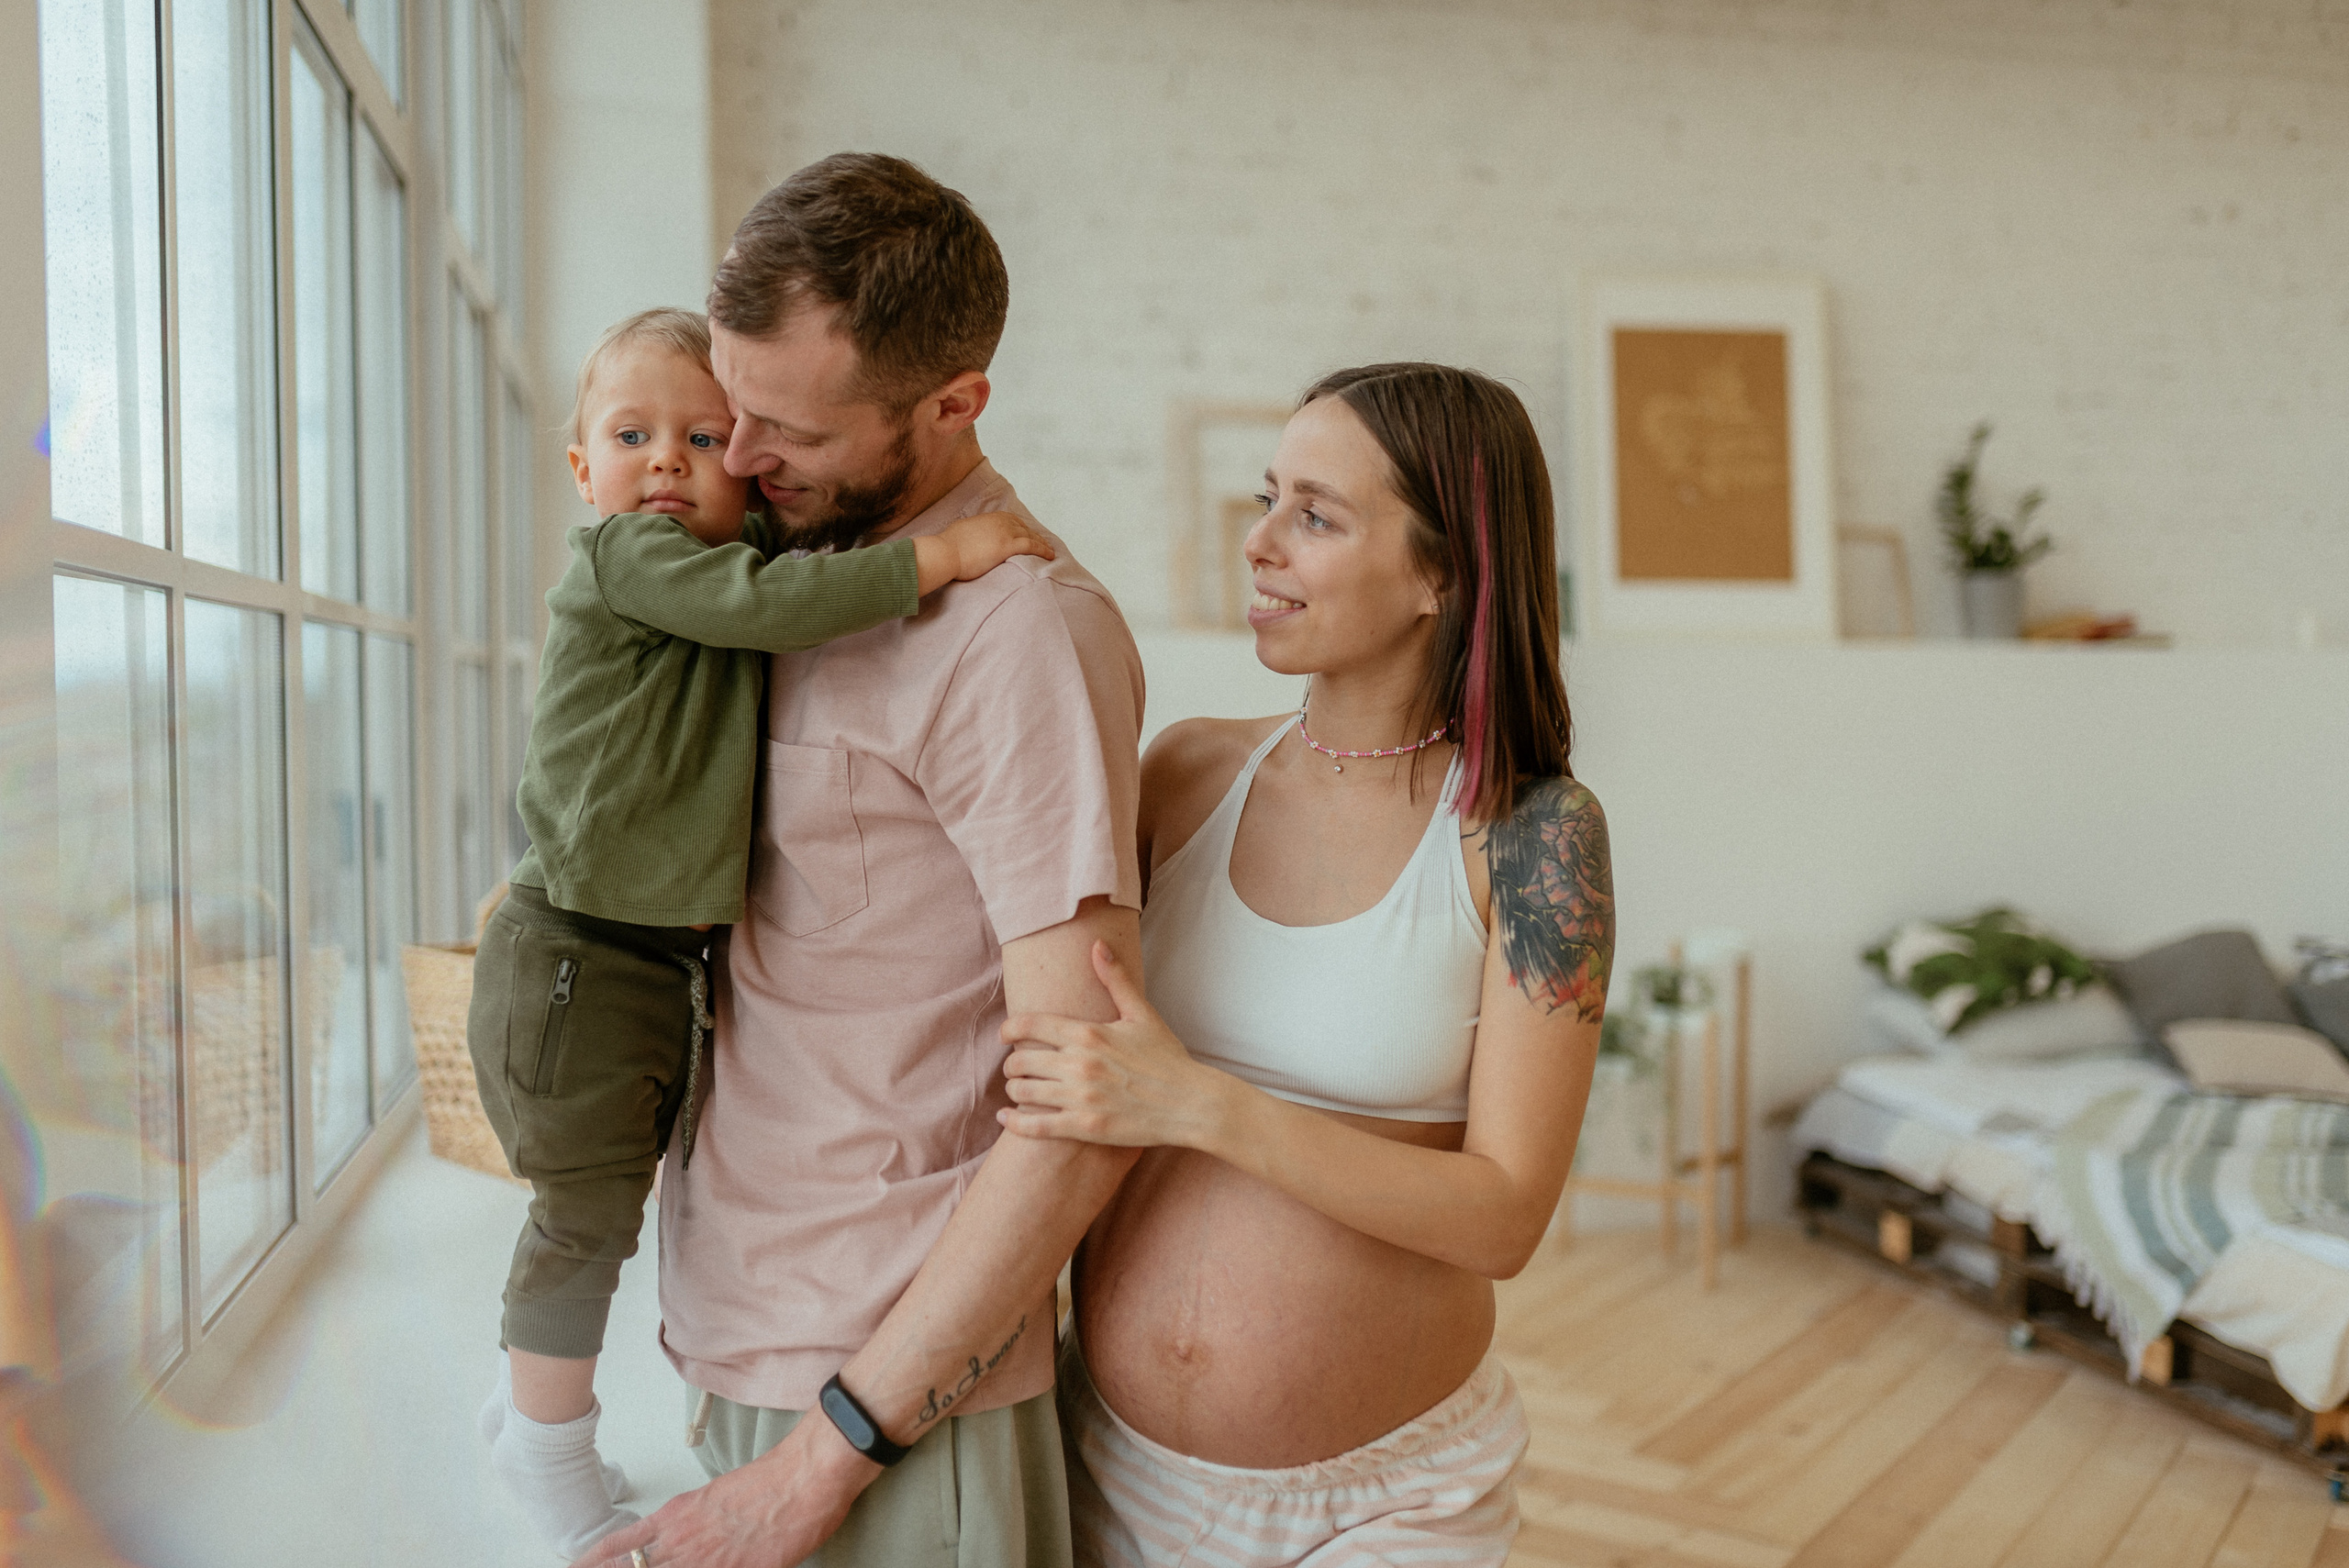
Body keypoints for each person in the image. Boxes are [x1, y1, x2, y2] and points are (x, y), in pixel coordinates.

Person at [577, 154, 1147, 1568]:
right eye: (729, 409)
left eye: (788, 430)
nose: (740, 459)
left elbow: (1086, 1098)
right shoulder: (780, 571)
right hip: (746, 1345)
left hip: (885, 1409)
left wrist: (825, 1460)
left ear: (953, 404)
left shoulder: (1017, 638)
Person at [998, 363, 1614, 1566]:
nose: (1260, 542)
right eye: (1267, 497)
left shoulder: (1536, 837)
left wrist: (1204, 1106)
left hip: (1386, 1508)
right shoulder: (1182, 775)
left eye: (1315, 516)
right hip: (1102, 1461)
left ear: (1444, 570)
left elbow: (1504, 1216)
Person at [468, 305, 1052, 1558]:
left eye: (703, 436)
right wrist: (946, 560)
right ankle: (544, 1447)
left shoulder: (716, 583)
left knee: (609, 1203)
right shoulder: (639, 560)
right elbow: (781, 601)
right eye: (631, 436)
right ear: (583, 470)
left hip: (638, 962)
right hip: (584, 960)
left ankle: (530, 1409)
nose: (666, 461)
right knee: (584, 1216)